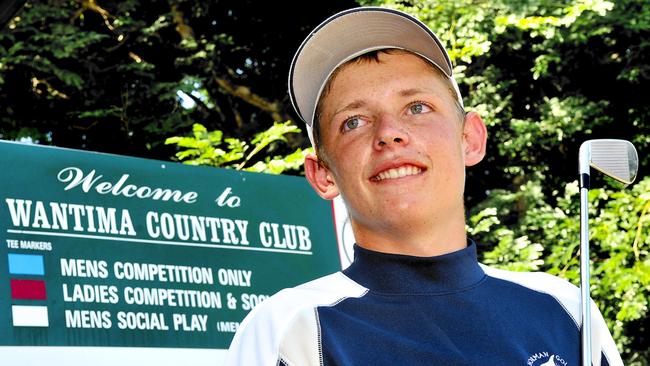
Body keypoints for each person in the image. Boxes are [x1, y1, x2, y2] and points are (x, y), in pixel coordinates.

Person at [225, 7, 623, 366]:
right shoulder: (287, 330)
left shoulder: (566, 310)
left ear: (470, 138)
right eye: (354, 121)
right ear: (322, 174)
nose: (390, 134)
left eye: (417, 108)